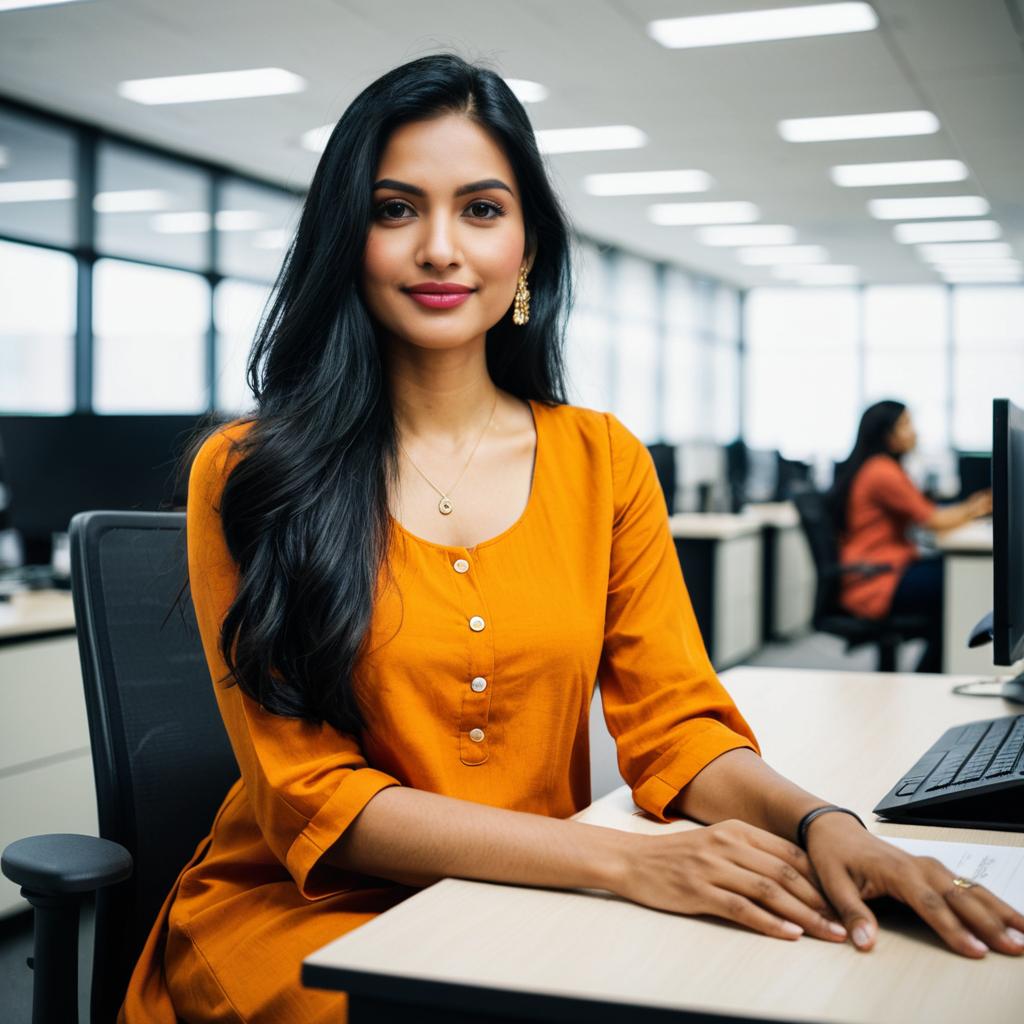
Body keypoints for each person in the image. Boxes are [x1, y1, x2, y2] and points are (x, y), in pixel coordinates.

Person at [119, 55, 1023, 1024]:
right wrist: (632, 860)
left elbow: (674, 724)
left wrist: (824, 823)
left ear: (528, 245)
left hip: (528, 896)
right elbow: (313, 798)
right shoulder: (253, 469)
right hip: (308, 918)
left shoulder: (600, 457)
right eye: (394, 208)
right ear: (348, 238)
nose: (438, 247)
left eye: (479, 208)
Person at [831, 401, 993, 671]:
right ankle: (930, 674)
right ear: (887, 435)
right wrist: (976, 507)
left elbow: (930, 515)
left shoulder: (882, 468)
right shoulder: (881, 471)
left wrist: (972, 507)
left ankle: (931, 671)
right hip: (876, 579)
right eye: (906, 425)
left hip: (884, 570)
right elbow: (934, 521)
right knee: (960, 583)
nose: (914, 432)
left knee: (956, 580)